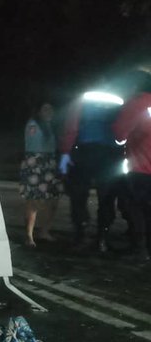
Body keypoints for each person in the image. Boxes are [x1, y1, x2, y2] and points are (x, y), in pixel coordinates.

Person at [59, 91, 125, 251]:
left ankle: (80, 234)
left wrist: (65, 152)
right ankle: (102, 238)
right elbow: (122, 127)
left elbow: (72, 126)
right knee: (107, 198)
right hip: (110, 154)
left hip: (84, 151)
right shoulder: (118, 99)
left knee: (79, 196)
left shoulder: (84, 98)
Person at [112, 72, 151, 262]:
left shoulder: (137, 104)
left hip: (141, 167)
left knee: (136, 208)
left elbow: (120, 135)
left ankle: (139, 249)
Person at [19, 102, 62, 247]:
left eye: (51, 109)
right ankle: (29, 235)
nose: (49, 111)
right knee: (33, 201)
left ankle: (44, 231)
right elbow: (32, 144)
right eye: (45, 109)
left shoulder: (52, 126)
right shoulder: (33, 124)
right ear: (39, 111)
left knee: (53, 200)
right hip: (35, 164)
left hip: (49, 164)